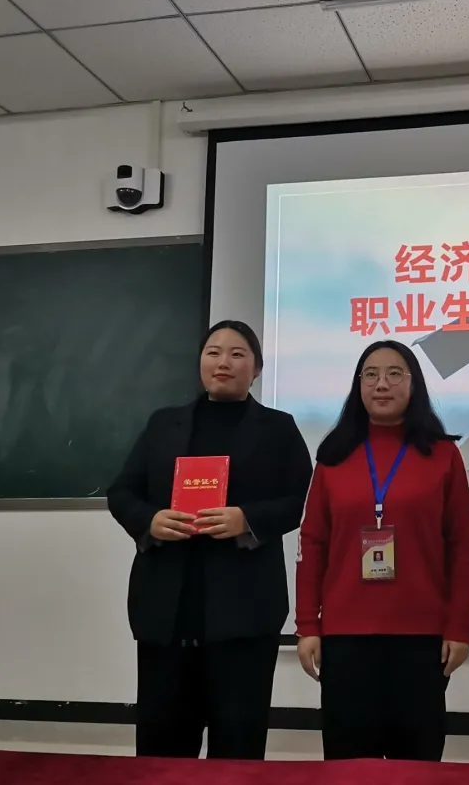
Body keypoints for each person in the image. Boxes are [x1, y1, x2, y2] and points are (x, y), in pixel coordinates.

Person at [107, 320, 313, 760]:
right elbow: (122, 492)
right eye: (213, 352)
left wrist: (247, 518)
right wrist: (150, 521)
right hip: (168, 610)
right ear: (200, 361)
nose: (224, 362)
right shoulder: (163, 424)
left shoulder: (278, 428)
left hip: (244, 612)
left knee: (237, 748)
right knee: (162, 750)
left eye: (238, 354)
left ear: (257, 368)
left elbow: (302, 499)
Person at [295, 339, 469, 762]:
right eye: (371, 375)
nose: (382, 384)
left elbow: (463, 547)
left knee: (416, 763)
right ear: (358, 385)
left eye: (395, 374)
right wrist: (307, 625)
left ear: (414, 385)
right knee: (348, 764)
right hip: (345, 638)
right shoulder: (333, 456)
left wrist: (459, 626)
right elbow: (312, 544)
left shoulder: (443, 455)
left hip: (421, 639)